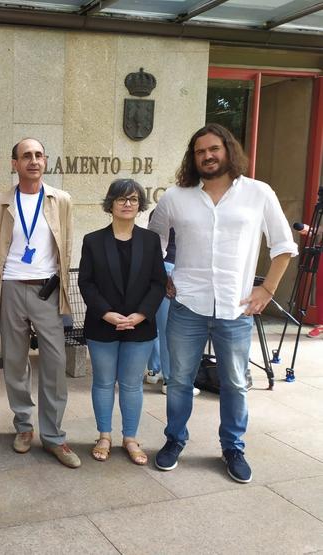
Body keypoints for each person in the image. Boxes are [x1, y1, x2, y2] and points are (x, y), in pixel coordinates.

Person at [149, 123, 298, 483]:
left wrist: (267, 290)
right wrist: (163, 276)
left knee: (234, 382)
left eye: (214, 148)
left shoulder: (258, 193)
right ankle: (174, 440)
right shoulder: (176, 197)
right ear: (193, 157)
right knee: (180, 380)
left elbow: (283, 246)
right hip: (187, 304)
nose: (208, 156)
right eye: (200, 151)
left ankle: (233, 447)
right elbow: (151, 238)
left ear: (228, 151)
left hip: (236, 307)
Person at [0, 138, 79, 468]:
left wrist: (61, 286)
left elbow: (65, 246)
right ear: (14, 163)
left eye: (39, 155)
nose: (33, 160)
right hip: (12, 287)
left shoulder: (61, 199)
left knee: (54, 363)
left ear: (46, 161)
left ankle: (54, 435)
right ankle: (24, 427)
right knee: (15, 360)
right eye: (26, 156)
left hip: (47, 290)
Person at [78, 179, 166, 465]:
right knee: (103, 383)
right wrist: (106, 313)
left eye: (133, 199)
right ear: (110, 204)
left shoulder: (150, 241)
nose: (127, 204)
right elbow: (86, 283)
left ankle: (130, 437)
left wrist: (141, 314)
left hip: (139, 325)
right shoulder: (92, 241)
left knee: (131, 385)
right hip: (103, 324)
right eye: (121, 199)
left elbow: (157, 283)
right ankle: (104, 435)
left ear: (140, 205)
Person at [144, 226, 200, 397]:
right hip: (175, 268)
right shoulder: (181, 206)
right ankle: (170, 379)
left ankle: (154, 370)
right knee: (170, 329)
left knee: (159, 325)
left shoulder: (162, 208)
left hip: (161, 267)